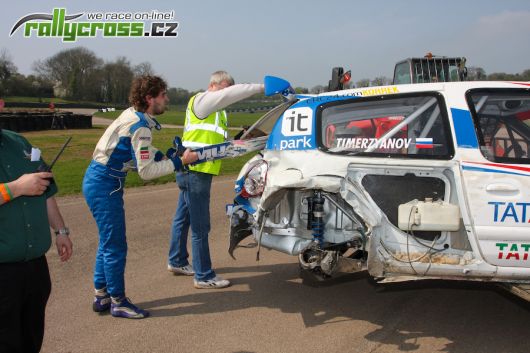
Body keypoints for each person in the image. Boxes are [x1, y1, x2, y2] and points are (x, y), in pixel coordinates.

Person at [83, 75, 197, 319]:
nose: (166, 99)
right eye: (163, 95)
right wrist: (179, 162)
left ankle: (101, 295)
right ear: (149, 98)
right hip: (105, 184)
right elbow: (145, 172)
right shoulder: (141, 126)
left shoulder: (134, 115)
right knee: (115, 245)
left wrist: (162, 156)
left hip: (99, 179)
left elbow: (138, 152)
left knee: (107, 241)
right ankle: (118, 301)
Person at [167, 71, 264, 289]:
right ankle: (203, 276)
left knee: (182, 219)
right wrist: (262, 87)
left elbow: (214, 143)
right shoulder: (202, 101)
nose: (228, 95)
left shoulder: (215, 111)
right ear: (215, 84)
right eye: (226, 89)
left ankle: (177, 260)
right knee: (201, 226)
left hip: (193, 169)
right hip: (196, 171)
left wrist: (240, 141)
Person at [0, 128, 73, 353]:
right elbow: (24, 186)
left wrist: (61, 231)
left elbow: (45, 190)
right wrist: (16, 188)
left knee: (31, 338)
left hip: (34, 267)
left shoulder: (18, 141)